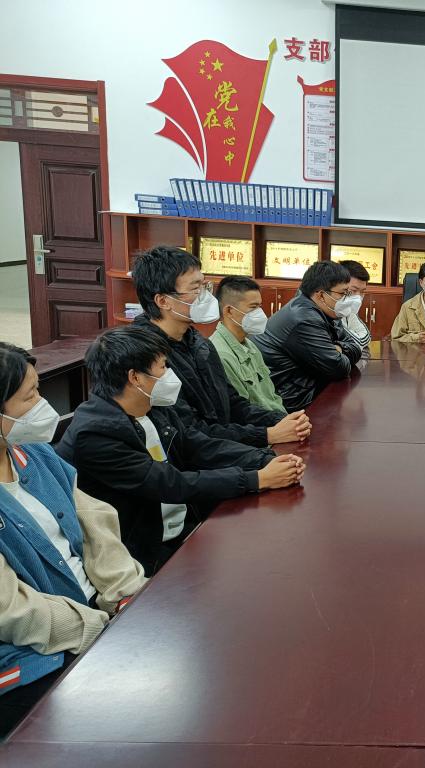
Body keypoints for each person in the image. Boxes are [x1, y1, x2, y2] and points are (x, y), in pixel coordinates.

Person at [57, 326, 305, 574]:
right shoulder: (96, 434)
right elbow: (170, 483)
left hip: (182, 526)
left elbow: (198, 445)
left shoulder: (151, 406)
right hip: (140, 552)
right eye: (163, 367)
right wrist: (257, 479)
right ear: (135, 377)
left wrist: (266, 459)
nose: (169, 374)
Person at [0, 342, 147, 736]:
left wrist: (126, 595)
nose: (42, 405)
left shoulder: (36, 455)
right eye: (30, 396)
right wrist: (96, 628)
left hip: (98, 616)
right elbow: (10, 610)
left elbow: (95, 527)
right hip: (33, 652)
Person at [132, 246, 310, 447]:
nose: (205, 296)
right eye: (195, 289)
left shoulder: (199, 343)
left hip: (225, 446)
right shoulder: (145, 356)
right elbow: (189, 432)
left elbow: (232, 403)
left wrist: (282, 420)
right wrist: (267, 435)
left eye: (205, 286)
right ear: (163, 301)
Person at [253, 261, 363, 412]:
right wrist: (337, 352)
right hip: (290, 401)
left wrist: (339, 348)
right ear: (321, 295)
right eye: (343, 294)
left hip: (307, 387)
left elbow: (356, 347)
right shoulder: (304, 318)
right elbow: (339, 368)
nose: (347, 299)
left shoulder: (327, 311)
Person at [210, 276, 286, 413]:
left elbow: (271, 396)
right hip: (262, 423)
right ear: (229, 311)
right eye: (253, 307)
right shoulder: (221, 355)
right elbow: (243, 411)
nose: (260, 313)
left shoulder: (250, 345)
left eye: (259, 307)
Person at [335, 260, 372, 351]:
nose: (358, 297)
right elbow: (356, 342)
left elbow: (365, 338)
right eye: (353, 290)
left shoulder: (348, 310)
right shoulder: (330, 310)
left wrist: (342, 346)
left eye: (362, 292)